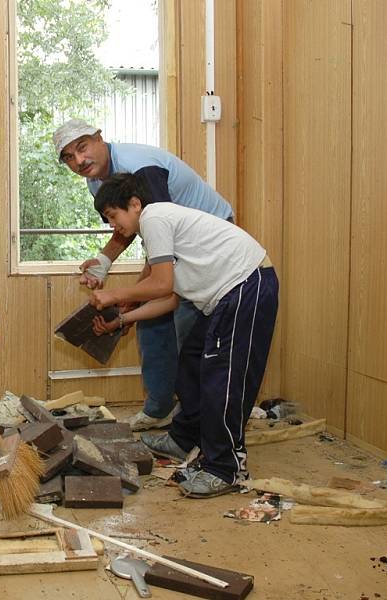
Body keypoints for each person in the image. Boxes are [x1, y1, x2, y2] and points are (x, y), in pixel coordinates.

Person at [89, 173, 278, 498]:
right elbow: (170, 297)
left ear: (134, 204)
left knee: (224, 379)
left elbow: (161, 285)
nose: (113, 226)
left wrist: (114, 295)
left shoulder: (154, 217)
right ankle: (183, 438)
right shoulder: (157, 226)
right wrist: (121, 320)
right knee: (191, 360)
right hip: (229, 294)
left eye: (113, 216)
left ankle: (226, 468)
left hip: (247, 284)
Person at [53, 119, 235, 431]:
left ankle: (199, 419)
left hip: (209, 242)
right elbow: (128, 226)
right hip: (174, 245)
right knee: (152, 322)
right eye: (69, 157)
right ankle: (159, 409)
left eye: (82, 148)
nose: (79, 161)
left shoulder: (141, 168)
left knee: (187, 329)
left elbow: (159, 231)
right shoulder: (96, 179)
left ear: (100, 137)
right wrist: (104, 260)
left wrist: (132, 299)